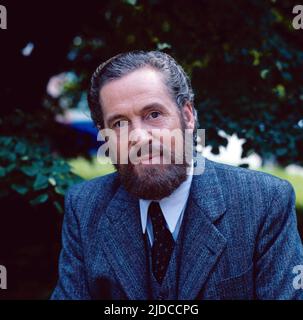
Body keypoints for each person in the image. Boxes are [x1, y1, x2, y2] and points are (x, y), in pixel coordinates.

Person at [51, 51, 303, 300]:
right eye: (119, 123)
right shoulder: (84, 206)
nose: (139, 137)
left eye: (154, 114)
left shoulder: (264, 202)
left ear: (188, 116)